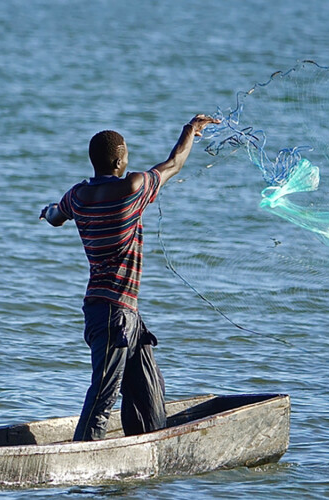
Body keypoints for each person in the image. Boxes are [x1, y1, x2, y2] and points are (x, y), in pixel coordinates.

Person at [40, 114, 219, 441]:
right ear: (120, 160)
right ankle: (85, 459)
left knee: (151, 393)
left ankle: (149, 450)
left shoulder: (76, 197)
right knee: (103, 395)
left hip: (124, 314)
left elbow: (55, 216)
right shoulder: (132, 187)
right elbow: (173, 164)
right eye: (126, 155)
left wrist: (48, 209)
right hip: (111, 315)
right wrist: (190, 130)